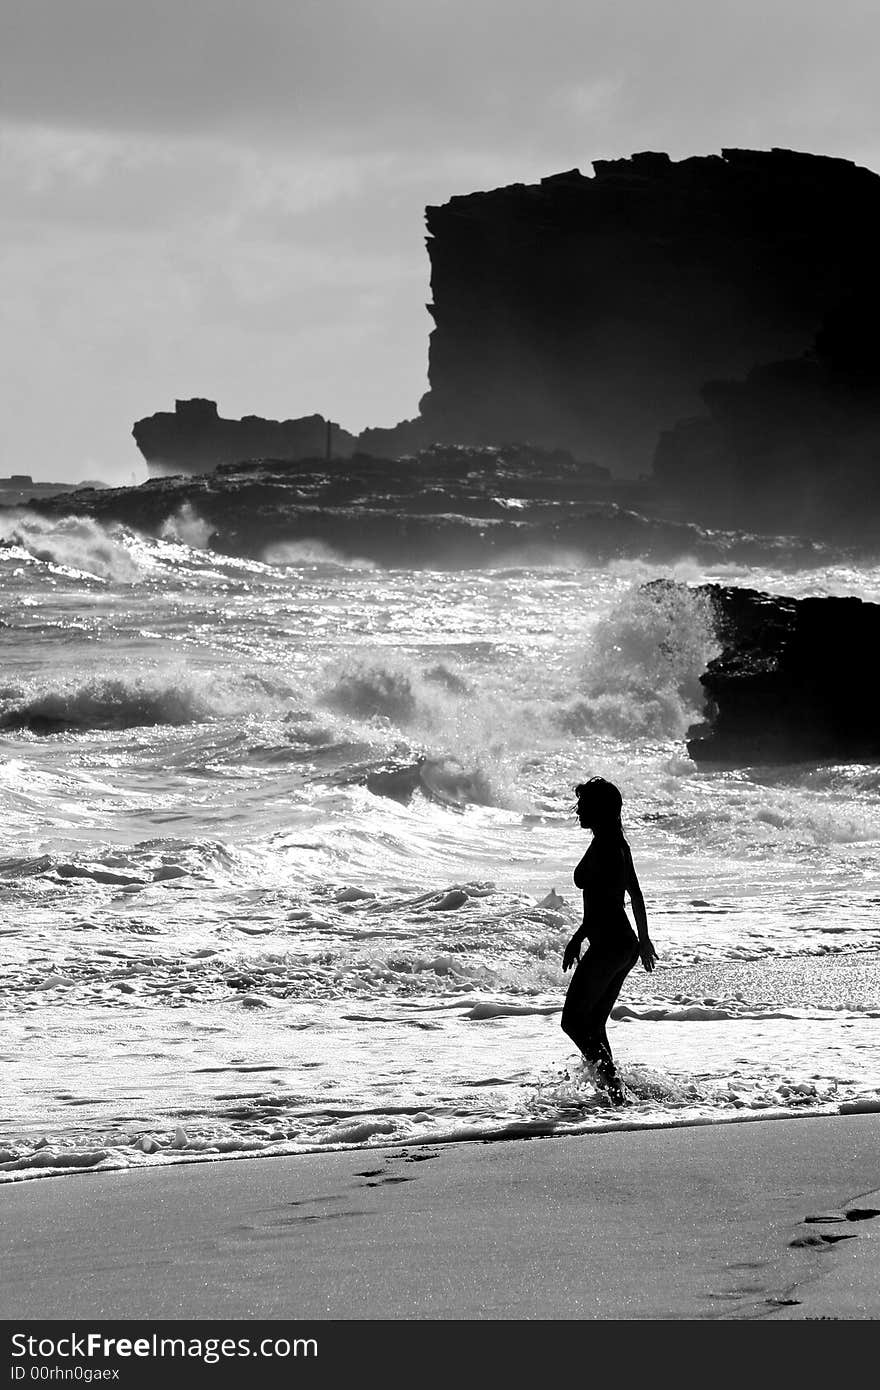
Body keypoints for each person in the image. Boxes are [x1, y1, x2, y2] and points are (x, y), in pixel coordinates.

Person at [561, 777, 657, 1104]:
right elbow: (621, 898)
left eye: (583, 805)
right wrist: (641, 941)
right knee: (594, 1023)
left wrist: (643, 940)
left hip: (612, 945)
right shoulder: (614, 842)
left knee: (573, 1022)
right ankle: (613, 1092)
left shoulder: (606, 846)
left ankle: (611, 1086)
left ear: (599, 809)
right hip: (622, 944)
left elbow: (620, 899)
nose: (578, 811)